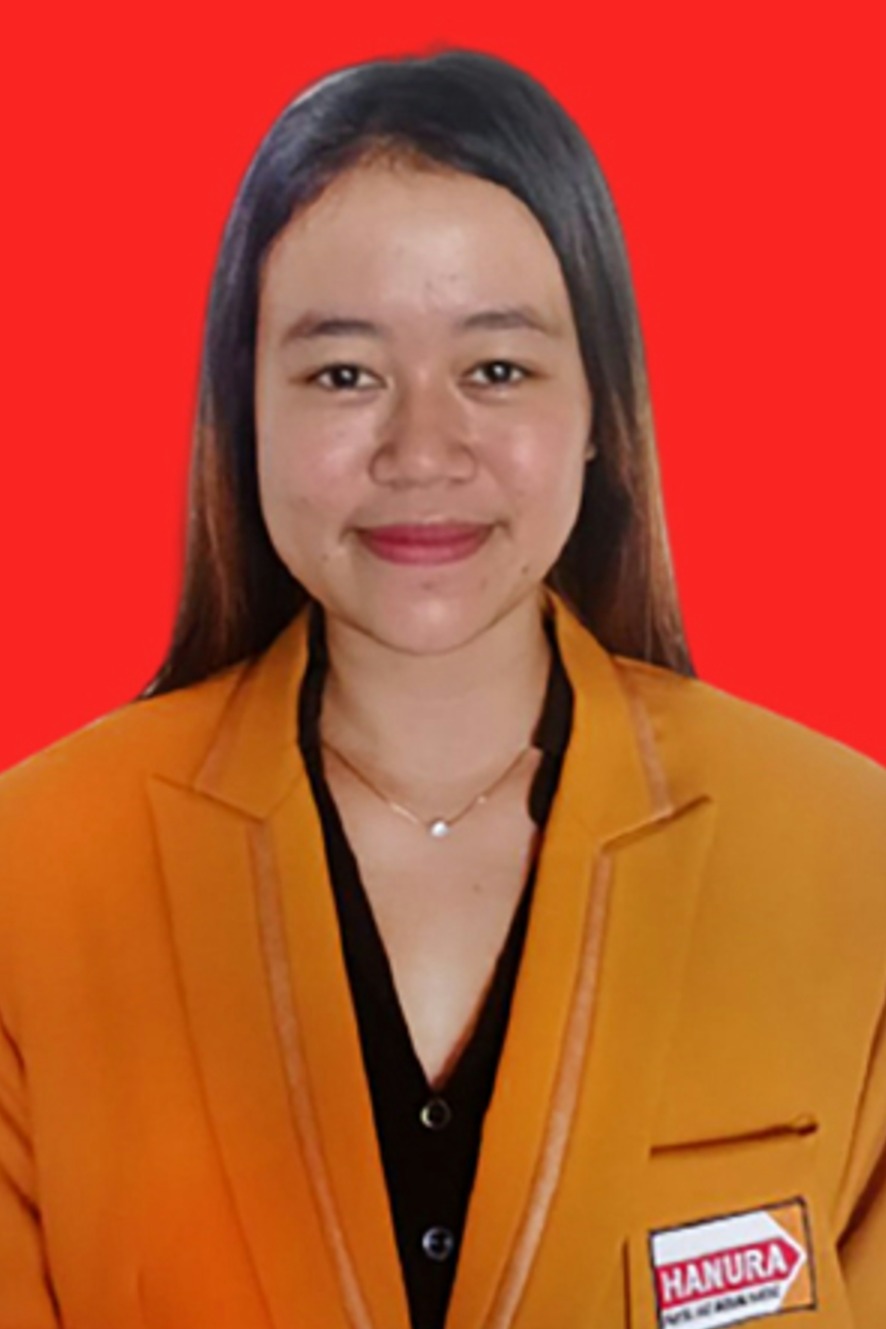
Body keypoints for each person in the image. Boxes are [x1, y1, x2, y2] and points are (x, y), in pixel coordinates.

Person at [0, 45, 884, 1329]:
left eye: (497, 370)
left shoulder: (847, 856)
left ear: (600, 410)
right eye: (343, 374)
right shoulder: (32, 876)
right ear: (244, 414)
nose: (422, 450)